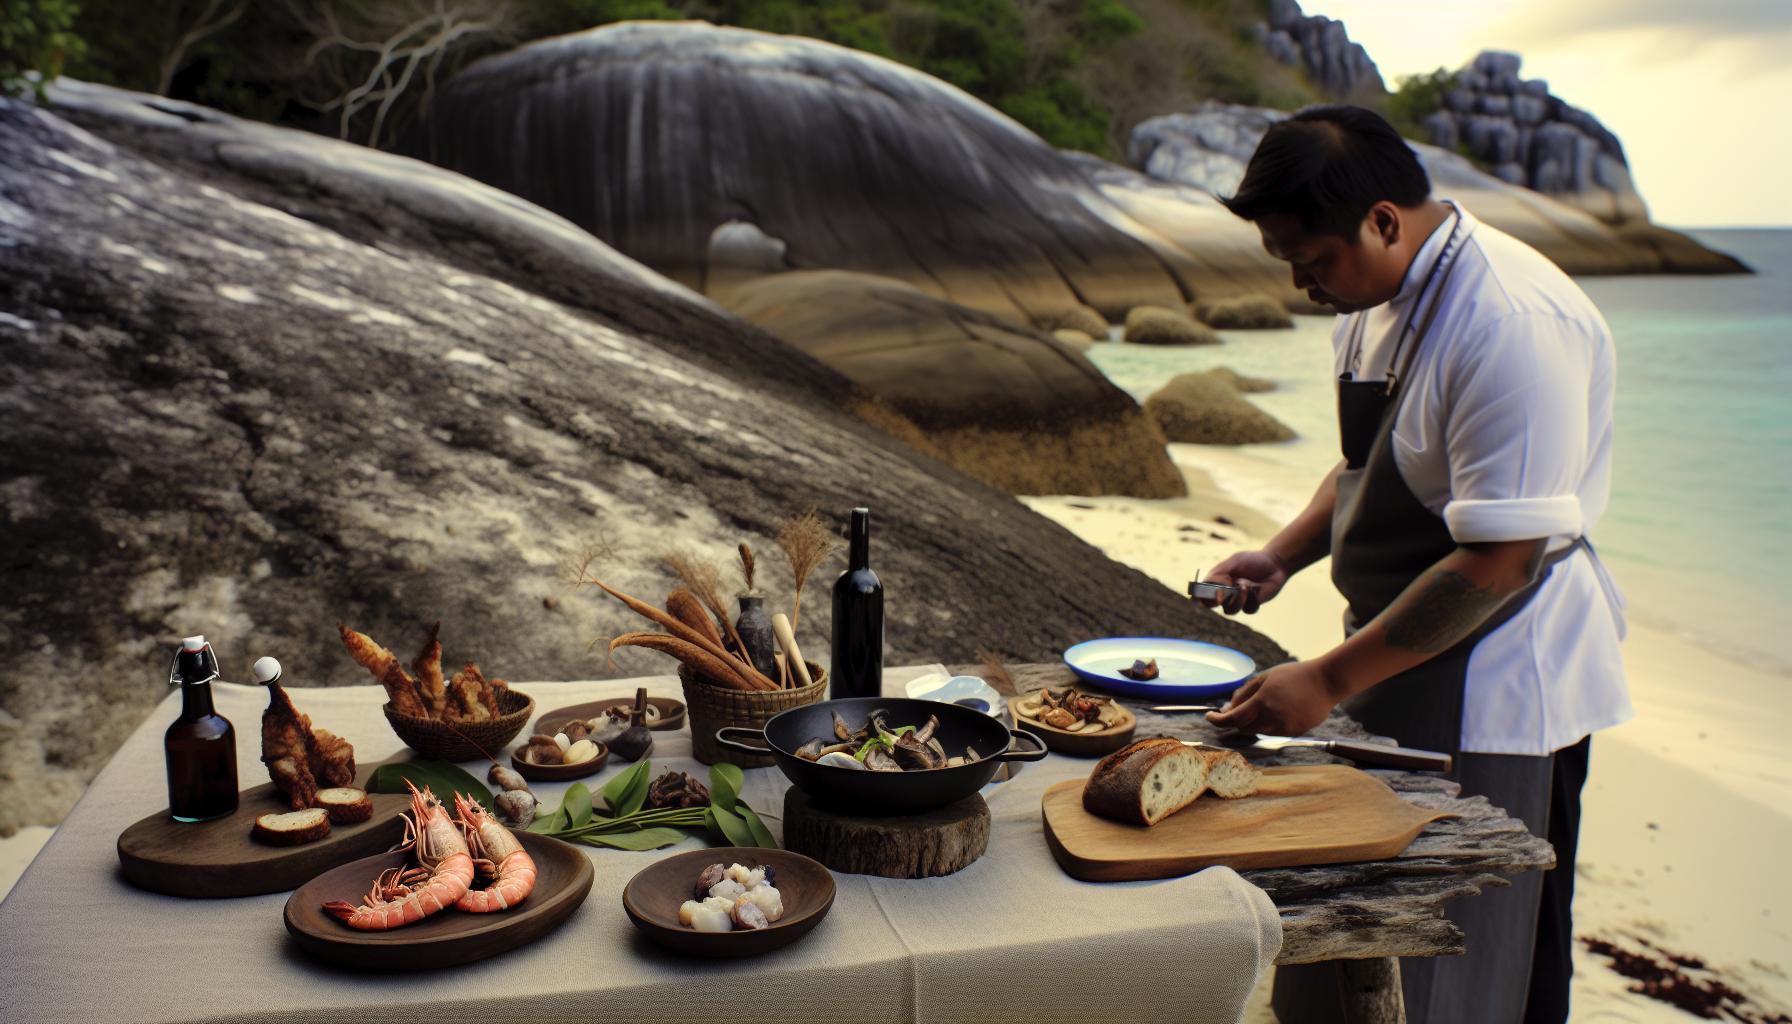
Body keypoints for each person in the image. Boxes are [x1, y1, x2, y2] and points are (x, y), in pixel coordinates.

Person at [1199, 105, 1631, 1024]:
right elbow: (1371, 460)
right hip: (1395, 654)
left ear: (1384, 221)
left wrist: (1326, 679)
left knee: (1480, 953)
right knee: (1361, 912)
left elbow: (1503, 559)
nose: (1302, 283)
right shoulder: (1371, 300)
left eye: (1312, 260)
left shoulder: (1511, 324)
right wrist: (1280, 556)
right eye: (1287, 261)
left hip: (1506, 680)